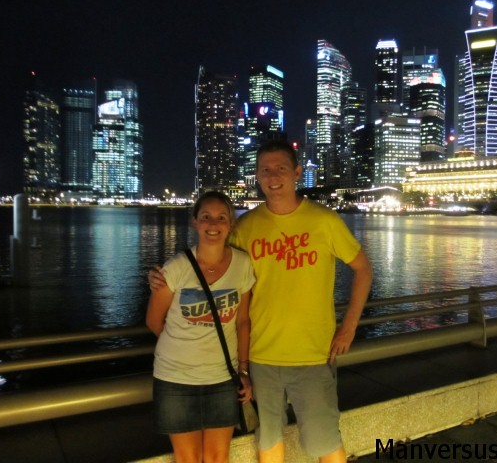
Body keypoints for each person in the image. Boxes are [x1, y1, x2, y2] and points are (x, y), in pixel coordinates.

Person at [149, 141, 373, 462]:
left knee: (324, 439)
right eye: (265, 170)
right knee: (267, 438)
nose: (273, 176)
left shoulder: (324, 221)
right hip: (259, 356)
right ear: (257, 176)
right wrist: (163, 280)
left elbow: (363, 268)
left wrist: (349, 326)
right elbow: (212, 264)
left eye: (281, 168)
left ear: (297, 173)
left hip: (313, 353)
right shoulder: (247, 227)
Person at [146, 191, 255, 463]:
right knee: (188, 459)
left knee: (218, 457)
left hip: (222, 377)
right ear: (195, 222)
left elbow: (243, 321)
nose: (213, 224)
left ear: (230, 223)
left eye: (221, 218)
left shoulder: (242, 265)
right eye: (206, 217)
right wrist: (186, 343)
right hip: (175, 379)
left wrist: (243, 370)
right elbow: (153, 321)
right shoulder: (177, 267)